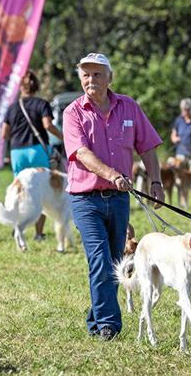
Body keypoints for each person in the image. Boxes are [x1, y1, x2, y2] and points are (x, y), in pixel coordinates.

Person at [63, 53, 164, 341]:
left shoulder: (129, 106)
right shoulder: (73, 113)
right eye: (85, 75)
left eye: (97, 74)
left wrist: (156, 181)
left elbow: (148, 147)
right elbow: (81, 154)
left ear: (110, 78)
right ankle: (108, 325)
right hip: (85, 199)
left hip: (119, 199)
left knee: (116, 261)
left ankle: (97, 316)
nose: (90, 80)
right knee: (100, 260)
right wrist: (112, 174)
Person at [1, 70, 63, 239]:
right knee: (40, 190)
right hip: (37, 150)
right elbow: (48, 125)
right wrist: (63, 137)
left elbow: (4, 134)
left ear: (21, 88)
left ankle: (17, 228)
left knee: (20, 188)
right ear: (36, 86)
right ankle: (39, 233)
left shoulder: (12, 108)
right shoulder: (42, 104)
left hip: (17, 152)